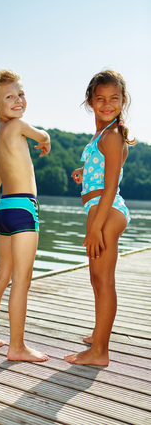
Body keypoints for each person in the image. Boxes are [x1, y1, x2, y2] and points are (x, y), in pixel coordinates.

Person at [0, 69, 51, 362]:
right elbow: (42, 134)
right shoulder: (18, 126)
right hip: (22, 209)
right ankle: (16, 347)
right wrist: (47, 140)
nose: (18, 101)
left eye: (21, 94)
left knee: (1, 275)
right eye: (10, 96)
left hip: (4, 209)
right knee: (21, 280)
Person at [65, 69, 136, 366]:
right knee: (96, 279)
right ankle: (99, 335)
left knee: (104, 281)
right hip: (99, 211)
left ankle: (100, 352)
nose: (107, 104)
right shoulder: (103, 135)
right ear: (90, 102)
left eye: (114, 99)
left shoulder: (113, 136)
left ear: (123, 101)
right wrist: (85, 173)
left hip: (106, 213)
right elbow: (106, 170)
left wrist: (95, 228)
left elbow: (109, 188)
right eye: (100, 99)